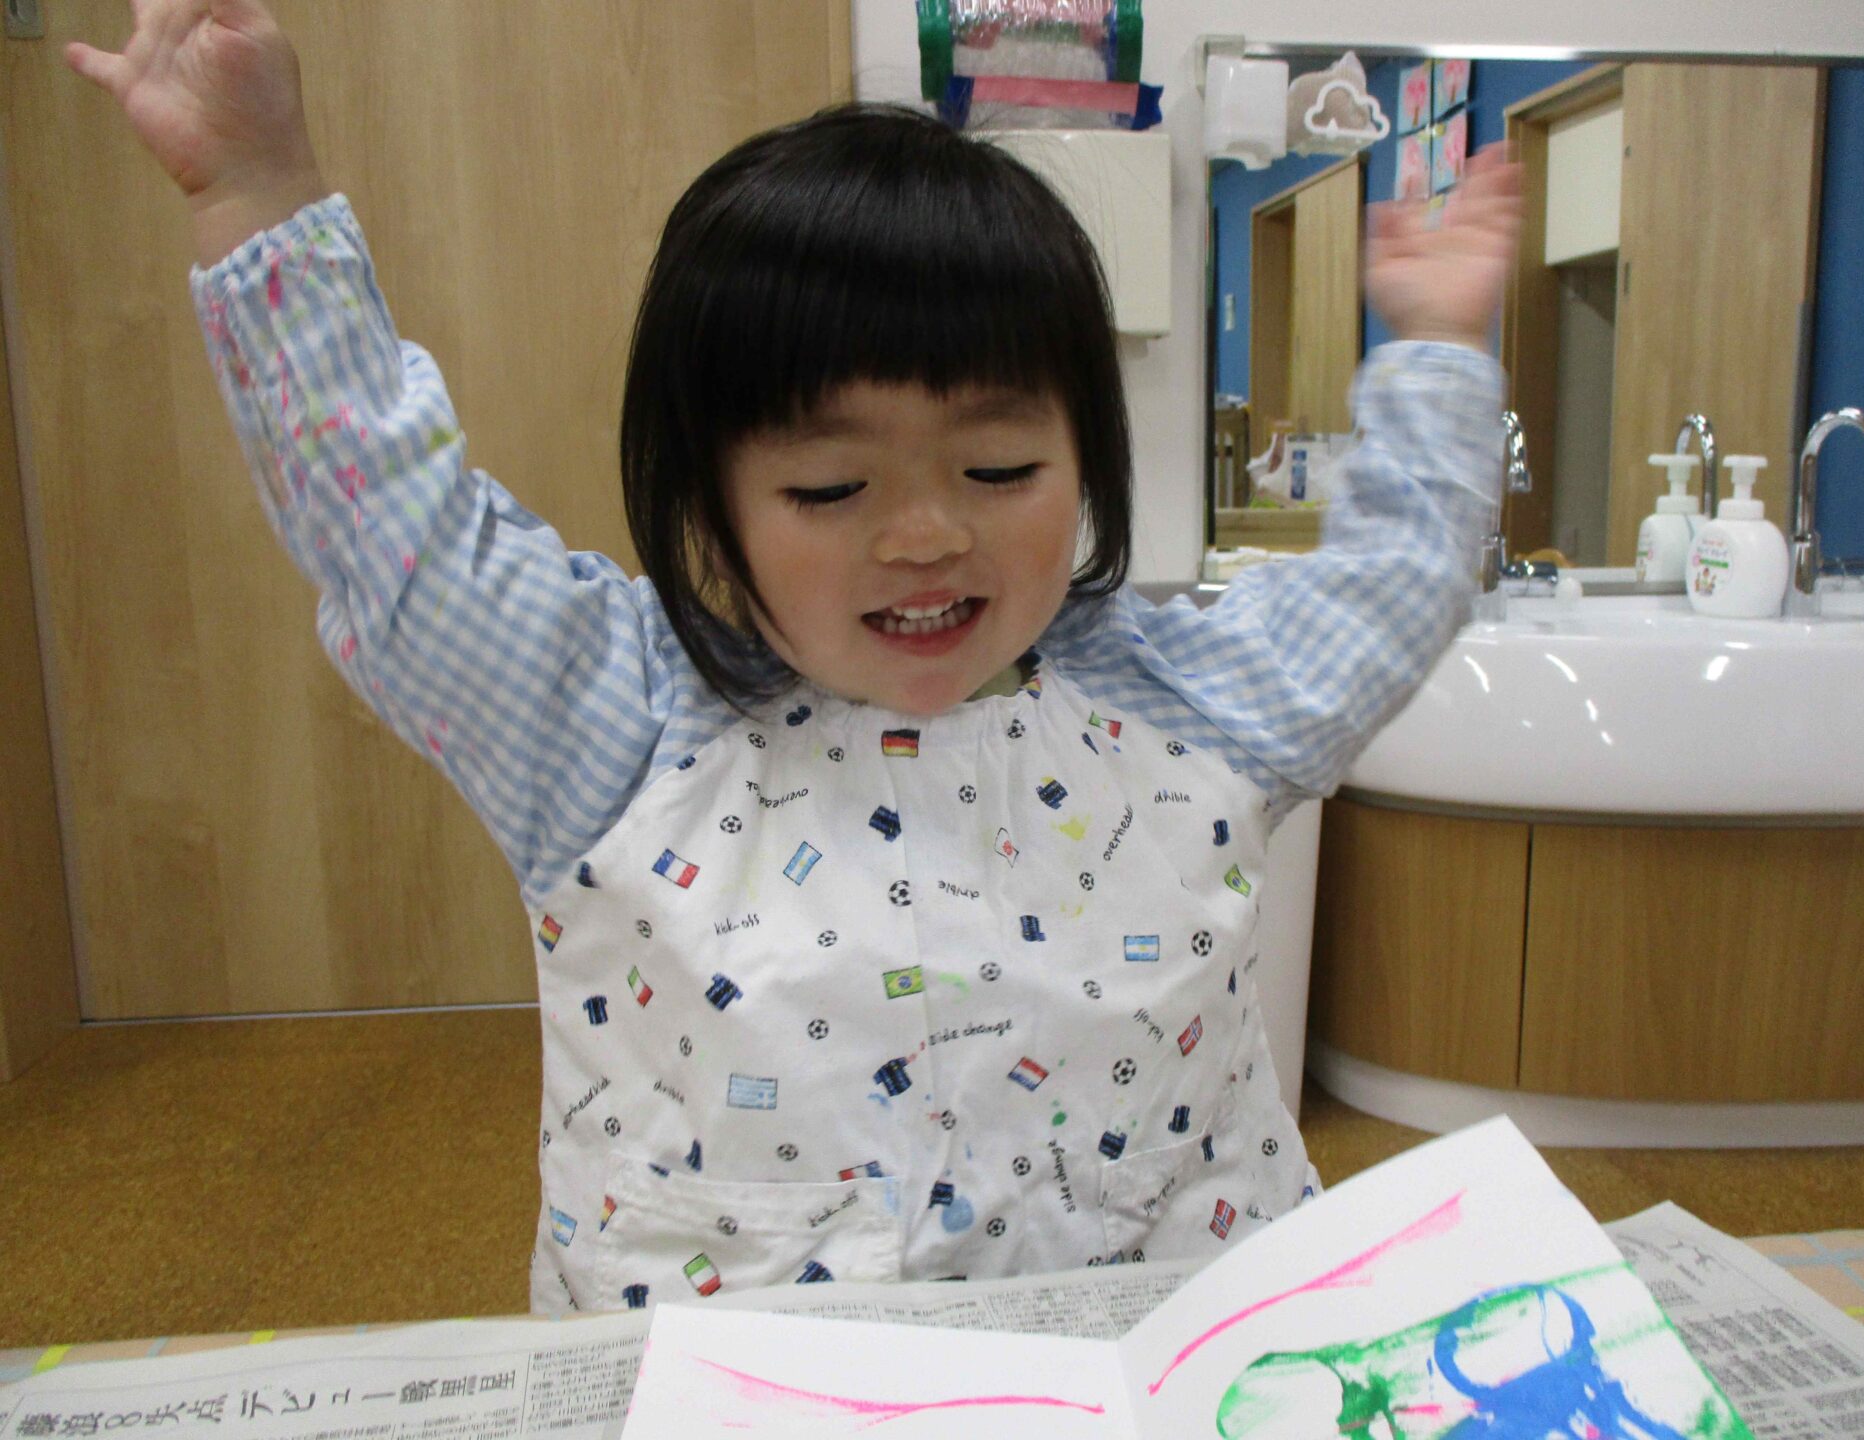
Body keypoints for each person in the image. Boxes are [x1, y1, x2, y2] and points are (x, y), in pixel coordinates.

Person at [69, 0, 1522, 1313]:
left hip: (1156, 1352)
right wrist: (255, 194)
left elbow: (1398, 580)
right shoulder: (610, 718)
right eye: (830, 489)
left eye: (1001, 468)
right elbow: (396, 532)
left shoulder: (1193, 699)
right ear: (710, 505)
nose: (926, 536)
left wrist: (1442, 347)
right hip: (738, 1377)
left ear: (1088, 458)